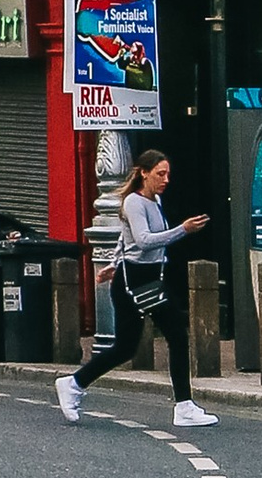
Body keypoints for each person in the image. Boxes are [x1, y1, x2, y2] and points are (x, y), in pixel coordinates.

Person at [59, 143, 218, 427]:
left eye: (168, 174)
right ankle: (184, 406)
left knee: (125, 347)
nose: (166, 180)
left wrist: (113, 263)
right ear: (143, 173)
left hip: (142, 277)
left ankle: (73, 383)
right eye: (160, 174)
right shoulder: (134, 202)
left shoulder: (154, 201)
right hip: (136, 282)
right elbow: (143, 241)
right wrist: (184, 229)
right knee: (177, 335)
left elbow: (126, 239)